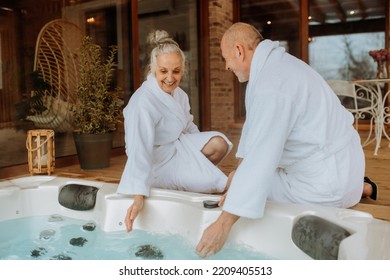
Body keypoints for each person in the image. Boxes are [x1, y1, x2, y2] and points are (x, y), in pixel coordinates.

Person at [195, 22, 377, 258]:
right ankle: (358, 187)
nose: (227, 66)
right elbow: (252, 138)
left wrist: (223, 224)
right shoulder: (279, 66)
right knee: (237, 181)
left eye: (225, 58)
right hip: (344, 168)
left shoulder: (271, 86)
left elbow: (260, 160)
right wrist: (238, 180)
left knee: (245, 187)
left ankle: (352, 189)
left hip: (326, 186)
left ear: (239, 51)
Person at [116, 30, 233, 233]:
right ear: (153, 70)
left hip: (178, 147)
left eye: (176, 71)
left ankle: (191, 176)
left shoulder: (180, 95)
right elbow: (138, 149)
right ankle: (182, 180)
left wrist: (196, 156)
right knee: (217, 183)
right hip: (157, 163)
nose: (170, 78)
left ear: (183, 70)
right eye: (163, 71)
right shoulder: (143, 102)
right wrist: (138, 196)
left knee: (219, 143)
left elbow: (188, 127)